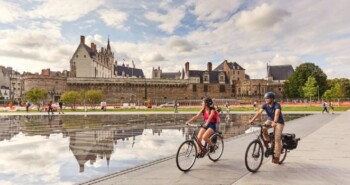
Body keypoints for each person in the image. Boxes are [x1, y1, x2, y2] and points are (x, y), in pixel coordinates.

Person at [248, 92, 285, 164]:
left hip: (279, 122)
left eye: (267, 98)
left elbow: (277, 114)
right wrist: (252, 120)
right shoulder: (265, 105)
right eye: (265, 98)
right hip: (270, 120)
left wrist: (275, 122)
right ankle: (267, 140)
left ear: (272, 99)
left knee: (277, 139)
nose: (266, 100)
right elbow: (259, 113)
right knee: (263, 128)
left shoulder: (277, 105)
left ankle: (277, 156)